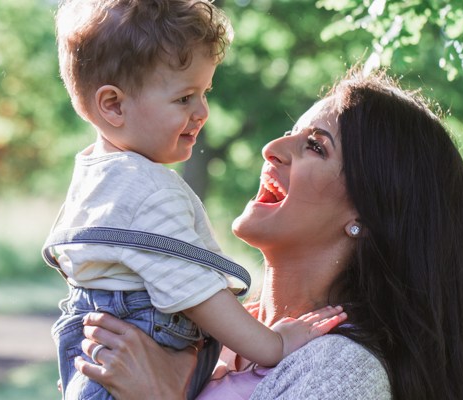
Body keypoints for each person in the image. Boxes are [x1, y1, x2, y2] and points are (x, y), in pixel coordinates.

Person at [74, 70, 463, 400]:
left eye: (315, 146)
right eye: (292, 131)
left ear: (370, 212)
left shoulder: (343, 370)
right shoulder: (216, 328)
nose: (272, 147)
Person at [44, 1, 345, 399]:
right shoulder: (148, 190)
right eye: (184, 98)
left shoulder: (95, 174)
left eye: (204, 93)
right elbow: (198, 292)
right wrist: (275, 345)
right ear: (113, 105)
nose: (202, 112)